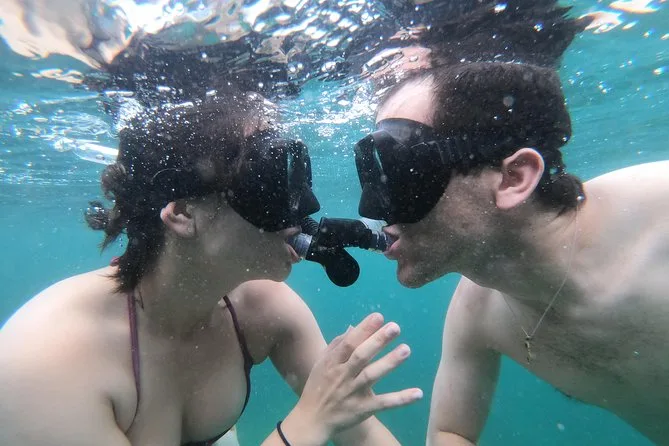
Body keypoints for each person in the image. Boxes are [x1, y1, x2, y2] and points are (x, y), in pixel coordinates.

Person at [0, 87, 423, 446]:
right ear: (183, 214)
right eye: (268, 181)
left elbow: (362, 433)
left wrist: (330, 412)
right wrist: (308, 423)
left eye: (293, 175)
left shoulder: (263, 309)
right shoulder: (47, 359)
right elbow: (324, 414)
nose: (305, 207)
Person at [352, 58, 669, 445]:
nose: (374, 211)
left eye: (403, 173)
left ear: (514, 178)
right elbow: (452, 431)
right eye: (378, 174)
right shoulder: (477, 310)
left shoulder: (661, 218)